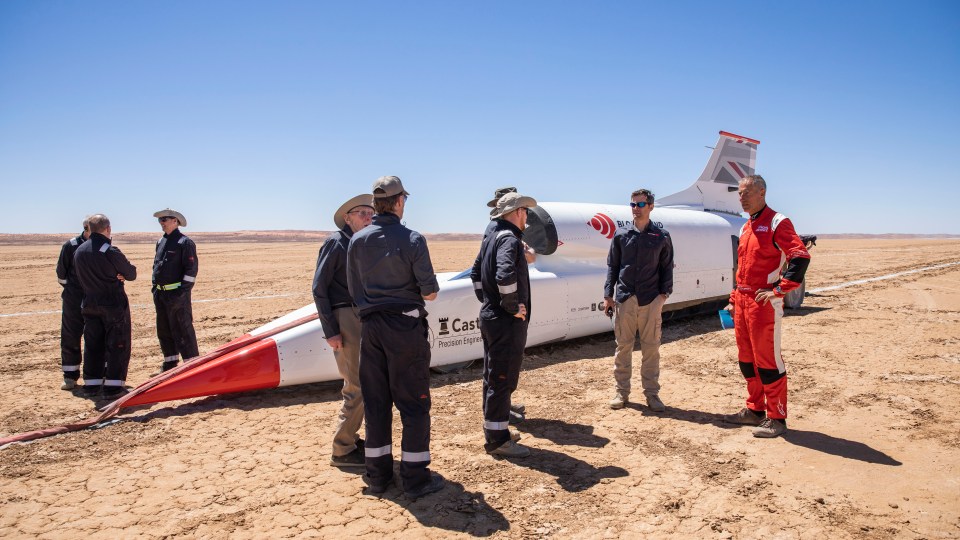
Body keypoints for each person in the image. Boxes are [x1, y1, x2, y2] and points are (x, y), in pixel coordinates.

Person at [346, 175, 444, 500]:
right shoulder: (413, 239)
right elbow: (429, 293)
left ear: (375, 205)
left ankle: (378, 478)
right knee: (414, 405)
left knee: (376, 404)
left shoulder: (357, 241)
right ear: (400, 202)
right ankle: (415, 480)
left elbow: (354, 291)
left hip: (371, 331)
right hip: (405, 330)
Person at [724, 175, 810, 438]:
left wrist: (778, 290)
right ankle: (755, 410)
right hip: (742, 302)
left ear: (762, 192)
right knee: (746, 361)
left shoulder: (777, 222)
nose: (742, 197)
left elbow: (800, 257)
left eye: (747, 192)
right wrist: (733, 298)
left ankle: (777, 417)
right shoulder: (745, 227)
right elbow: (742, 268)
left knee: (768, 362)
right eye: (739, 193)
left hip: (764, 305)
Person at [471, 192, 537, 458]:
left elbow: (476, 273)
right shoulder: (509, 239)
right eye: (526, 213)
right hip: (505, 321)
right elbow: (504, 274)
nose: (527, 218)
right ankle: (498, 440)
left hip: (490, 316)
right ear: (519, 212)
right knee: (502, 377)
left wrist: (488, 300)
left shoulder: (492, 237)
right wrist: (511, 306)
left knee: (492, 374)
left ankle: (495, 430)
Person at [313, 193, 374, 468]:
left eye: (370, 212)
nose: (367, 217)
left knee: (366, 382)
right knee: (356, 386)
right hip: (345, 317)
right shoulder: (336, 243)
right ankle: (343, 449)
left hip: (362, 316)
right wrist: (331, 331)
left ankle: (350, 438)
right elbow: (319, 288)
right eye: (361, 212)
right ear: (347, 218)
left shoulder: (362, 243)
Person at [604, 189, 673, 412]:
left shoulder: (661, 237)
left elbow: (667, 268)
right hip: (625, 298)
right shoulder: (621, 235)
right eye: (633, 205)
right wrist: (608, 296)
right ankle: (621, 393)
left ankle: (652, 394)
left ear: (651, 207)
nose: (636, 208)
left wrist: (663, 296)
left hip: (651, 299)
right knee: (623, 347)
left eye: (641, 205)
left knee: (651, 348)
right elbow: (613, 266)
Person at [73, 214, 137, 400]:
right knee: (118, 344)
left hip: (89, 303)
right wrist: (118, 274)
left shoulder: (79, 251)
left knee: (93, 344)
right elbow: (131, 273)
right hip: (112, 304)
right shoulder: (108, 250)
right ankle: (113, 387)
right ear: (108, 229)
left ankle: (91, 384)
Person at [151, 208, 199, 375]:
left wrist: (181, 293)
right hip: (160, 294)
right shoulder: (160, 242)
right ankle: (170, 364)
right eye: (160, 220)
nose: (162, 223)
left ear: (175, 221)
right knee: (164, 330)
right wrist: (154, 288)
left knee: (183, 329)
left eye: (165, 219)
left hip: (177, 295)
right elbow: (156, 267)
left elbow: (191, 271)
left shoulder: (185, 243)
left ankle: (191, 366)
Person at [56, 217, 91, 390]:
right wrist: (75, 290)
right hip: (74, 298)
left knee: (95, 336)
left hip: (94, 298)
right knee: (71, 335)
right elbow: (61, 275)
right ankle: (70, 375)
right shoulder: (70, 246)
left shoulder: (102, 245)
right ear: (86, 228)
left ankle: (96, 375)